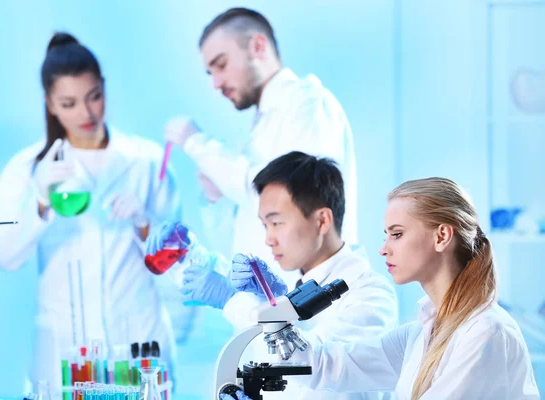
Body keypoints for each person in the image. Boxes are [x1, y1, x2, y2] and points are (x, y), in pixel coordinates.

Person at [0, 32, 181, 392]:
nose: (87, 113)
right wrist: (39, 203)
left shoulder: (146, 160)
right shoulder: (27, 167)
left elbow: (183, 263)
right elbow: (4, 257)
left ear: (104, 88)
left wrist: (145, 223)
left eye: (94, 97)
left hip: (139, 341)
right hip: (65, 348)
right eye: (69, 103)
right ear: (50, 104)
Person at [228, 177, 539, 400]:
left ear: (442, 236)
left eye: (397, 234)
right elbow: (327, 365)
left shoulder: (485, 332)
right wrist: (277, 313)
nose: (383, 249)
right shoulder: (422, 335)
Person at [148, 152, 398, 400]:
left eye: (276, 223)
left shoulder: (369, 296)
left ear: (322, 221)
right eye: (264, 225)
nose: (268, 239)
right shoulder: (293, 280)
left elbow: (315, 371)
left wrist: (231, 299)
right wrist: (187, 252)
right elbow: (234, 289)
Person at [163, 7, 356, 289]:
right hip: (267, 312)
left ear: (258, 46)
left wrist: (197, 143)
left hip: (308, 312)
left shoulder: (308, 107)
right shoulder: (264, 124)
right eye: (210, 73)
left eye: (221, 64)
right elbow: (247, 242)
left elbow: (289, 204)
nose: (216, 83)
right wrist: (217, 198)